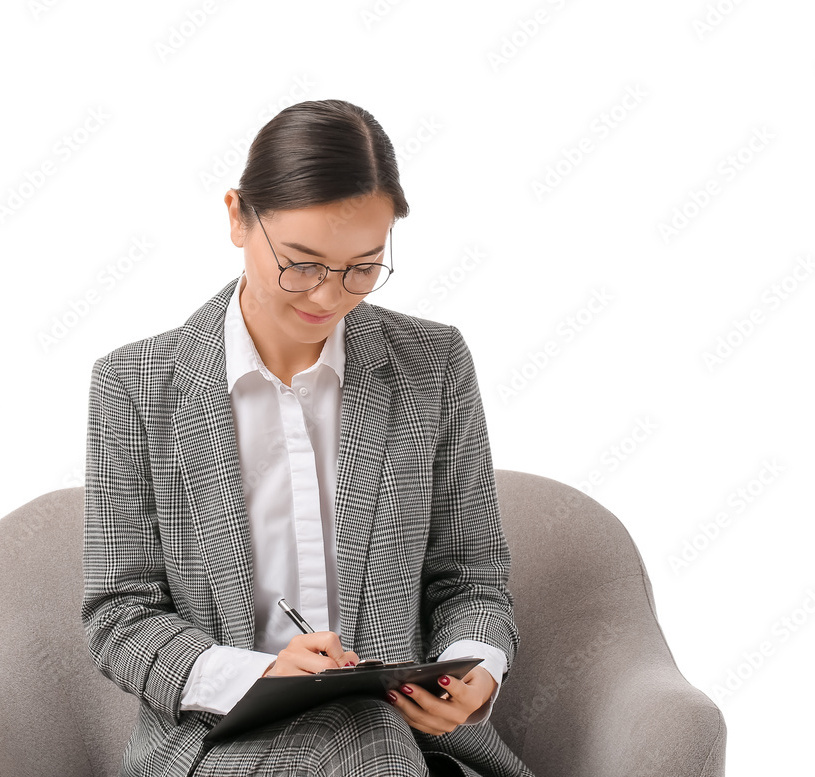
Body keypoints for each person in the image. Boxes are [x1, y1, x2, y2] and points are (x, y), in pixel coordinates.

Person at [82, 99, 534, 777]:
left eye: (362, 267)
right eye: (300, 262)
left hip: (416, 743)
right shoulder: (135, 385)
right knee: (369, 744)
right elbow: (120, 613)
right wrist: (254, 675)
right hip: (220, 745)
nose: (327, 296)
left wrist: (477, 670)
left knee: (375, 735)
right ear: (238, 217)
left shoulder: (432, 365)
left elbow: (470, 579)